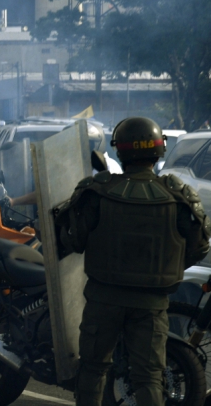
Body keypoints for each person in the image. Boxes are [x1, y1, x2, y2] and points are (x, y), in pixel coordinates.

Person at [57, 117, 211, 406]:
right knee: (149, 377)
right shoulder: (177, 196)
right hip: (151, 304)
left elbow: (72, 241)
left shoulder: (96, 190)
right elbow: (199, 247)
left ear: (120, 150)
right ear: (159, 150)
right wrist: (167, 267)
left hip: (103, 300)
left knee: (92, 369)